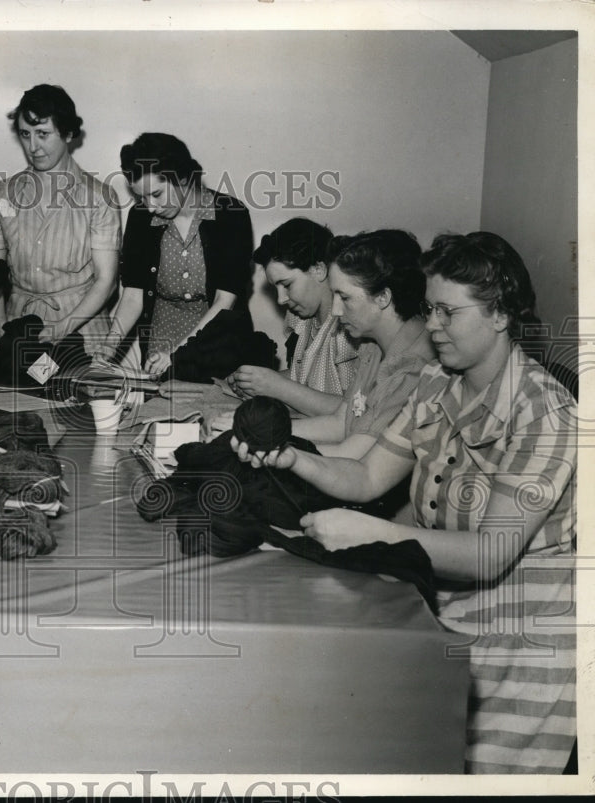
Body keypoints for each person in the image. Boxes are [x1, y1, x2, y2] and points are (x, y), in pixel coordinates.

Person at [234, 232, 576, 774]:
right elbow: (367, 475)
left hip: (521, 628)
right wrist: (289, 457)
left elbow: (490, 554)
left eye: (447, 312)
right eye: (429, 309)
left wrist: (378, 535)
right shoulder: (438, 382)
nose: (432, 326)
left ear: (501, 314)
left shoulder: (546, 413)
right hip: (442, 593)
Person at [98, 132, 253, 376]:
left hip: (217, 347)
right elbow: (132, 295)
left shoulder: (230, 214)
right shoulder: (141, 217)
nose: (150, 206)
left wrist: (178, 354)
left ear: (182, 178)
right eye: (142, 197)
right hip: (160, 345)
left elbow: (225, 301)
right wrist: (106, 349)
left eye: (156, 194)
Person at [0, 84, 120, 354]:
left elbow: (107, 281)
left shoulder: (100, 197)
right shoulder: (1, 193)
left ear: (67, 133)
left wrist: (63, 329)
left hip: (83, 333)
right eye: (25, 134)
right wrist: (3, 333)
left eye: (43, 134)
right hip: (19, 328)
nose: (33, 146)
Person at [290, 229, 435, 459]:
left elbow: (352, 456)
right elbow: (341, 423)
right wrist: (265, 433)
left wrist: (270, 449)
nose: (336, 311)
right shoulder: (374, 347)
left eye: (344, 297)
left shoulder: (414, 369)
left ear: (383, 297)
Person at [229, 217, 365, 415]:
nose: (281, 300)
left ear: (318, 269)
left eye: (287, 285)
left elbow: (354, 411)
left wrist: (277, 386)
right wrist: (252, 381)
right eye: (276, 288)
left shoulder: (350, 329)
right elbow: (304, 376)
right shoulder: (302, 318)